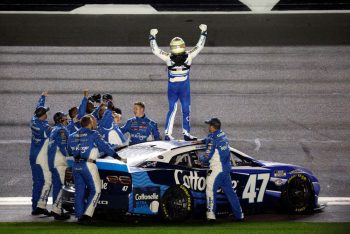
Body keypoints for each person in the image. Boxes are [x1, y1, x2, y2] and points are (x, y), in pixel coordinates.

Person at [149, 24, 207, 141]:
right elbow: (199, 46)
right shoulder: (189, 55)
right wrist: (203, 32)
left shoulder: (168, 57)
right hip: (184, 87)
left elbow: (155, 50)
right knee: (186, 109)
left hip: (173, 88)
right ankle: (186, 133)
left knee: (172, 109)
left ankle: (167, 134)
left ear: (171, 47)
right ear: (183, 46)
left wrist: (152, 36)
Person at [68, 115, 126, 224]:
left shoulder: (71, 136)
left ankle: (79, 215)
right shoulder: (93, 134)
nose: (95, 123)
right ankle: (87, 215)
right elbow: (105, 147)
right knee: (96, 190)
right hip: (88, 165)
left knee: (79, 192)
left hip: (76, 165)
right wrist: (118, 157)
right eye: (94, 121)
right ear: (89, 123)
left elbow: (69, 151)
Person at [200, 118, 244, 222]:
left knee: (210, 191)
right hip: (226, 170)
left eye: (209, 125)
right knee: (230, 193)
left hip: (216, 170)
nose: (208, 127)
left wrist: (200, 159)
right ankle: (239, 215)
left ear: (212, 127)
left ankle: (211, 216)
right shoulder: (223, 135)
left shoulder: (212, 140)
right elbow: (212, 139)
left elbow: (207, 156)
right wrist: (203, 140)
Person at [29, 91, 52, 215]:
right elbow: (53, 134)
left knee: (37, 182)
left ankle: (35, 207)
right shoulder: (44, 128)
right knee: (44, 181)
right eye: (46, 113)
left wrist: (42, 97)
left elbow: (37, 109)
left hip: (33, 154)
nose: (47, 114)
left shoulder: (34, 120)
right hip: (41, 157)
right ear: (43, 116)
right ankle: (39, 207)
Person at [48, 112, 71, 220]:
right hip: (59, 161)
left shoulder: (54, 129)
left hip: (52, 161)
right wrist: (69, 159)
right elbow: (63, 146)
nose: (67, 119)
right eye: (65, 117)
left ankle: (57, 209)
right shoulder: (62, 130)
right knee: (64, 186)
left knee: (57, 186)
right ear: (61, 119)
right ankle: (57, 210)